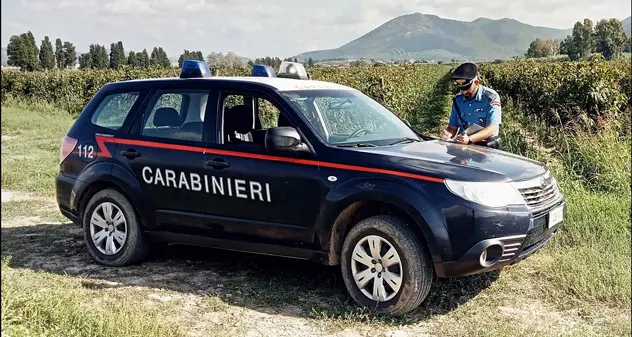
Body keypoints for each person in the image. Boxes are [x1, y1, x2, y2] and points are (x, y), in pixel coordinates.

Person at [439, 62, 502, 149]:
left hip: (485, 148)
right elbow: (452, 127)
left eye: (467, 88)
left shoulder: (490, 98)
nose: (464, 92)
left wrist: (470, 139)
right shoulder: (458, 100)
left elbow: (492, 128)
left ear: (476, 82)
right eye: (461, 89)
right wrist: (447, 134)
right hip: (463, 147)